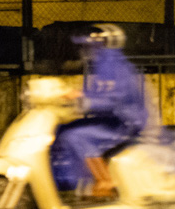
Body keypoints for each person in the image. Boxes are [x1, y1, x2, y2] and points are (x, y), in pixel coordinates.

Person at [53, 24, 148, 198]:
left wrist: (83, 100)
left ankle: (105, 180)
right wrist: (77, 95)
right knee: (63, 129)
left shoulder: (116, 67)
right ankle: (77, 180)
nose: (88, 48)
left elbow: (114, 100)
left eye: (95, 43)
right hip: (112, 118)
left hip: (124, 122)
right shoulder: (105, 65)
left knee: (75, 136)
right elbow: (101, 95)